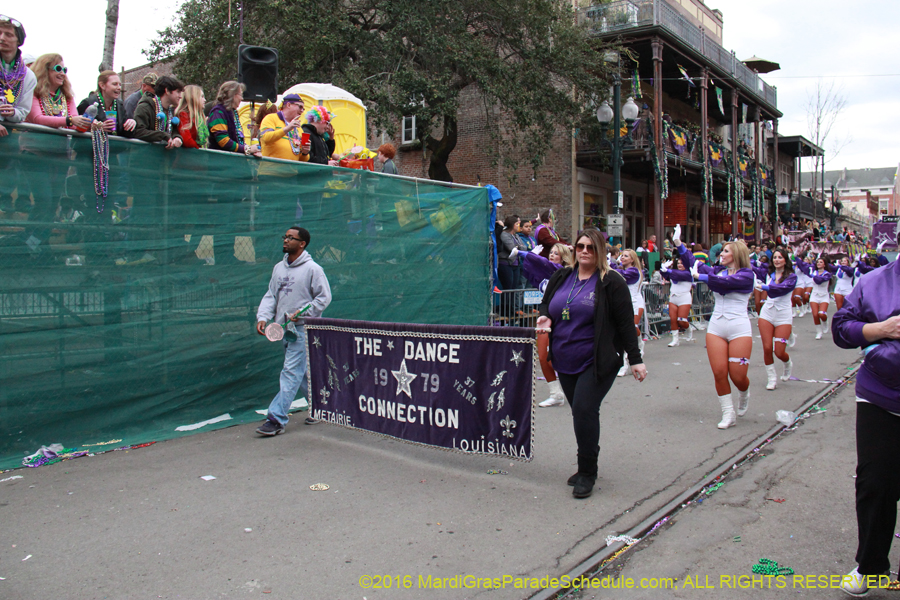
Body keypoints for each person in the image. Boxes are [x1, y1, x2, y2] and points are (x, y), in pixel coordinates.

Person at [536, 228, 646, 499]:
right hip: (564, 357)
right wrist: (544, 317)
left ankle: (587, 471)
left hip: (597, 360)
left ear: (601, 252)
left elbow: (625, 324)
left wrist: (636, 360)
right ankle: (588, 458)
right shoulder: (562, 276)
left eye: (591, 248)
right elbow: (546, 304)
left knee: (585, 409)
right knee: (581, 414)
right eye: (580, 246)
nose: (584, 251)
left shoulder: (612, 282)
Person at [831, 230, 900, 597]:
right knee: (875, 484)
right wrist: (881, 329)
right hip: (880, 395)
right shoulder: (875, 282)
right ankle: (872, 567)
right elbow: (841, 328)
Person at [674, 226, 754, 429]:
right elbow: (694, 264)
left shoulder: (747, 275)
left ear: (737, 254)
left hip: (739, 328)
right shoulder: (717, 270)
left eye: (726, 251)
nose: (721, 253)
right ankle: (728, 413)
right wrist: (678, 244)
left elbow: (725, 282)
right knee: (719, 372)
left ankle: (744, 392)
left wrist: (701, 277)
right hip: (717, 326)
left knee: (738, 376)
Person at [255, 226, 333, 436]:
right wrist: (263, 317)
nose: (286, 240)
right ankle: (322, 408)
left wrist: (305, 313)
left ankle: (276, 419)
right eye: (285, 237)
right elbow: (271, 295)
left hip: (303, 330)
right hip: (284, 330)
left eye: (291, 238)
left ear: (302, 244)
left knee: (290, 372)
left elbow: (323, 298)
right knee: (302, 372)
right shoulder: (278, 269)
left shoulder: (313, 269)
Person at [517, 242, 575, 408]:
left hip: (564, 317)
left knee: (564, 355)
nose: (552, 255)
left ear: (563, 258)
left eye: (556, 254)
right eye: (551, 252)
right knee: (542, 356)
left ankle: (575, 388)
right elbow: (529, 272)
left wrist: (528, 255)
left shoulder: (565, 272)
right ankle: (556, 393)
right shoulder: (545, 275)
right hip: (546, 316)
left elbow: (546, 265)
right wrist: (529, 257)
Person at [755, 248, 797, 390]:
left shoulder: (791, 276)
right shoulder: (768, 273)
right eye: (775, 257)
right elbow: (751, 269)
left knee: (779, 351)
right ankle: (772, 378)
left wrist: (764, 287)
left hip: (783, 315)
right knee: (767, 348)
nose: (777, 260)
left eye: (780, 257)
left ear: (785, 260)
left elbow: (780, 290)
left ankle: (787, 364)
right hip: (767, 313)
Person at [26, 54, 88, 130]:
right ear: (44, 70)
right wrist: (69, 120)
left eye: (64, 70)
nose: (62, 73)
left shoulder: (67, 96)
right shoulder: (32, 91)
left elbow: (74, 124)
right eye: (58, 69)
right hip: (33, 140)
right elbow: (37, 119)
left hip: (61, 141)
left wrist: (89, 124)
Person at [611, 249, 645, 375]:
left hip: (635, 304)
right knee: (631, 331)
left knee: (630, 330)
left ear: (632, 259)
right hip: (625, 303)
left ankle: (625, 364)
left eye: (626, 256)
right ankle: (640, 345)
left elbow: (618, 275)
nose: (623, 257)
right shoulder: (624, 269)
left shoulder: (634, 271)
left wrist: (611, 264)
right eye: (622, 255)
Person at [77, 70, 137, 136]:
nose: (119, 88)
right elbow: (76, 127)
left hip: (114, 145)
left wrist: (131, 124)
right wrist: (96, 128)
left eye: (120, 85)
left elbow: (125, 133)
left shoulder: (120, 105)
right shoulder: (88, 103)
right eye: (114, 84)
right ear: (102, 85)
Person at [207, 81, 259, 156]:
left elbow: (238, 138)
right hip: (220, 163)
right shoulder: (218, 112)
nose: (242, 98)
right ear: (232, 95)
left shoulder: (233, 112)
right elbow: (223, 141)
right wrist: (247, 149)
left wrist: (251, 149)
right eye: (240, 95)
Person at [133, 75, 184, 148]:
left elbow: (173, 131)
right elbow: (138, 132)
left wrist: (177, 138)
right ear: (167, 91)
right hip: (144, 155)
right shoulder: (145, 107)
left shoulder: (171, 111)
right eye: (178, 92)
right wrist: (163, 136)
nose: (180, 96)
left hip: (163, 157)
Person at [659, 256, 693, 347]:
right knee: (673, 319)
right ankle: (675, 340)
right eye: (678, 263)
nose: (680, 265)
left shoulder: (689, 273)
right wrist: (662, 268)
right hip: (673, 297)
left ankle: (689, 329)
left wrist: (668, 270)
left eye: (682, 263)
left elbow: (679, 275)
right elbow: (666, 275)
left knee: (681, 321)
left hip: (684, 298)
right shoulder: (674, 273)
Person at [797, 255, 833, 340]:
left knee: (822, 314)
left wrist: (812, 275)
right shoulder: (813, 272)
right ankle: (819, 332)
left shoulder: (827, 274)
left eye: (821, 262)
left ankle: (825, 321)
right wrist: (796, 256)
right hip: (814, 295)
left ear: (824, 265)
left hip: (824, 296)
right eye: (818, 262)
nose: (819, 264)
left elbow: (819, 280)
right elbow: (802, 265)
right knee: (815, 314)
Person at [497, 215, 525, 316]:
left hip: (516, 264)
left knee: (514, 287)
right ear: (513, 225)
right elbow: (511, 248)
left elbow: (523, 247)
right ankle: (504, 310)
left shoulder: (516, 236)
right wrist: (519, 247)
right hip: (506, 263)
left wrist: (519, 247)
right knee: (508, 287)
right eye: (517, 224)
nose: (519, 226)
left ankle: (513, 309)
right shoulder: (505, 235)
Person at [175, 85, 209, 149]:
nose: (205, 100)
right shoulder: (183, 115)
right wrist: (198, 150)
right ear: (193, 98)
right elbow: (187, 140)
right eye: (202, 97)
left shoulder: (199, 117)